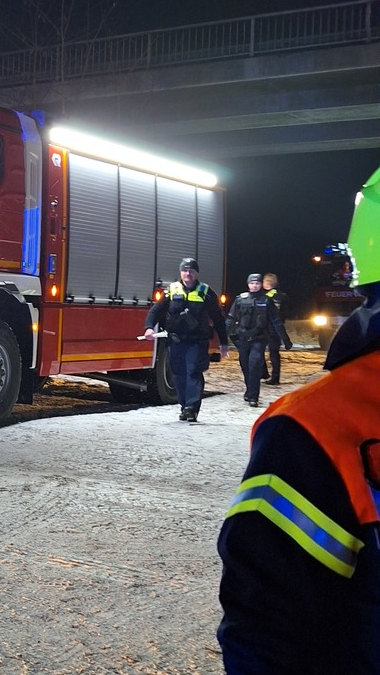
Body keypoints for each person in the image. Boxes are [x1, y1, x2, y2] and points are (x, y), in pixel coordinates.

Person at [216, 163, 380, 675]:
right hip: (245, 347)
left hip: (262, 346)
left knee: (255, 372)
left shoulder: (312, 428)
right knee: (246, 375)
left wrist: (279, 345)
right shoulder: (314, 431)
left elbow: (264, 628)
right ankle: (225, 397)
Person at [143, 257, 231, 422]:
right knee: (178, 374)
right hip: (176, 341)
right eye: (185, 270)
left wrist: (223, 343)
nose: (187, 273)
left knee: (193, 372)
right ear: (180, 272)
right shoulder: (172, 290)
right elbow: (156, 310)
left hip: (197, 342)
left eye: (191, 270)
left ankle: (192, 408)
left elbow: (218, 319)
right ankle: (184, 406)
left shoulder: (206, 292)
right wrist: (148, 327)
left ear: (196, 273)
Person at [225, 273, 290, 407]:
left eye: (257, 283)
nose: (254, 285)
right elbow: (230, 319)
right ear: (248, 284)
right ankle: (249, 390)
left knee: (254, 365)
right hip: (242, 338)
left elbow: (276, 321)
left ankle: (254, 395)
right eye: (252, 283)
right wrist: (223, 337)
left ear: (261, 285)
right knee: (245, 366)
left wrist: (285, 339)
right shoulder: (240, 299)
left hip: (259, 339)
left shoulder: (266, 301)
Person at [260, 272, 289, 384]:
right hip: (269, 328)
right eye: (265, 281)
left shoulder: (276, 296)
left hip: (271, 328)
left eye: (267, 281)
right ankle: (266, 374)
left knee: (272, 353)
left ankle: (274, 377)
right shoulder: (265, 295)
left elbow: (280, 314)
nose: (265, 284)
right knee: (263, 351)